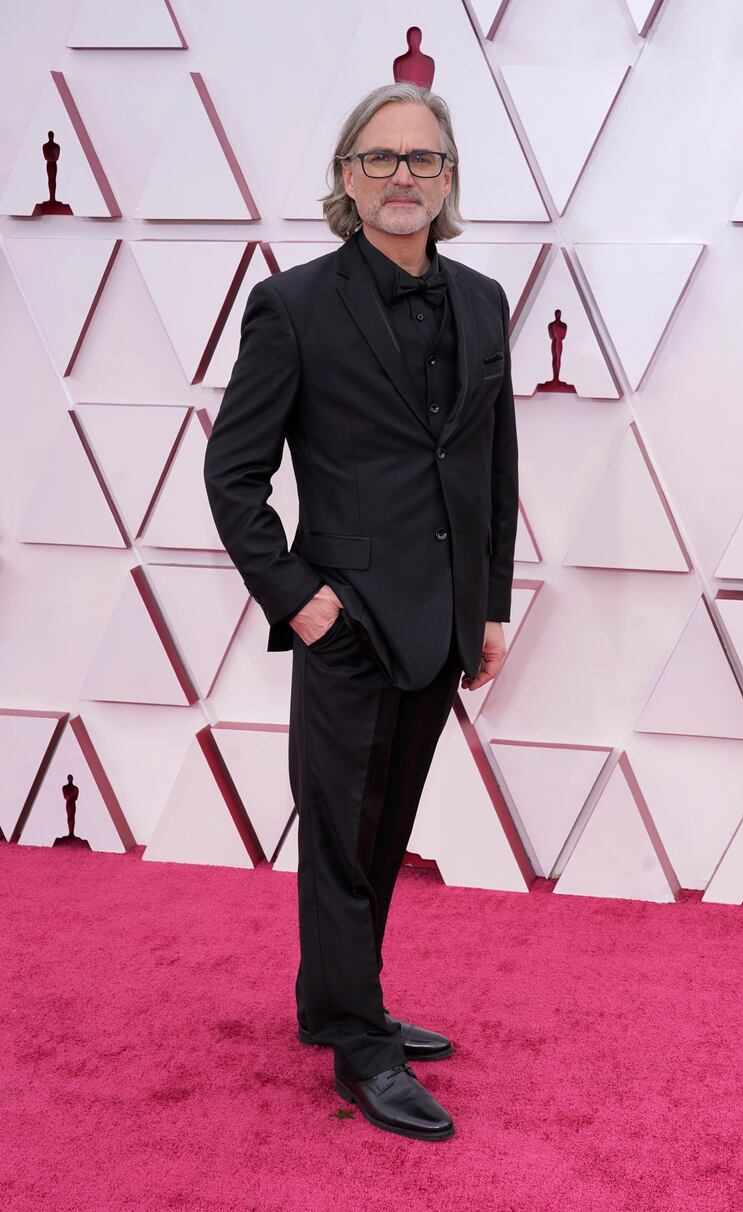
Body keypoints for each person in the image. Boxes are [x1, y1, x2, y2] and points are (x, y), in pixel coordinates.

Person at [203, 80, 518, 1142]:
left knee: (381, 836)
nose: (400, 177)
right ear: (345, 176)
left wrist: (492, 604)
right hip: (343, 625)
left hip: (442, 625)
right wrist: (301, 605)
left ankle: (336, 1001)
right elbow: (231, 477)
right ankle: (357, 1042)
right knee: (337, 843)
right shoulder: (289, 307)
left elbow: (489, 464)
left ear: (447, 179)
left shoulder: (481, 301)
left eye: (420, 160)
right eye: (378, 159)